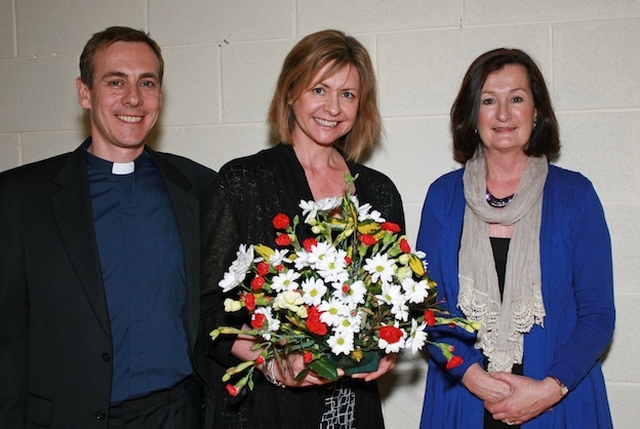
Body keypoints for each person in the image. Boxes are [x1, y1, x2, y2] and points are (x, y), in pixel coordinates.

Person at [0, 26, 216, 428]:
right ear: (85, 93)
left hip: (177, 415)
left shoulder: (199, 188)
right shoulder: (21, 199)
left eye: (146, 83)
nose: (133, 98)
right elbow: (7, 342)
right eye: (115, 81)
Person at [200, 29, 404, 428]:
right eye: (319, 90)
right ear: (290, 92)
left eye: (348, 94)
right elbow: (208, 312)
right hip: (269, 410)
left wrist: (388, 345)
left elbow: (390, 302)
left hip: (352, 407)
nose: (333, 107)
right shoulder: (243, 181)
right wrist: (272, 360)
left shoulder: (379, 191)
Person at [416, 48, 615, 428]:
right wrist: (475, 378)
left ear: (536, 111)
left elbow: (598, 314)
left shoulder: (576, 195)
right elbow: (430, 306)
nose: (503, 114)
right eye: (489, 100)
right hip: (464, 399)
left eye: (517, 99)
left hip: (558, 403)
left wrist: (549, 389)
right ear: (472, 114)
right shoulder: (442, 197)